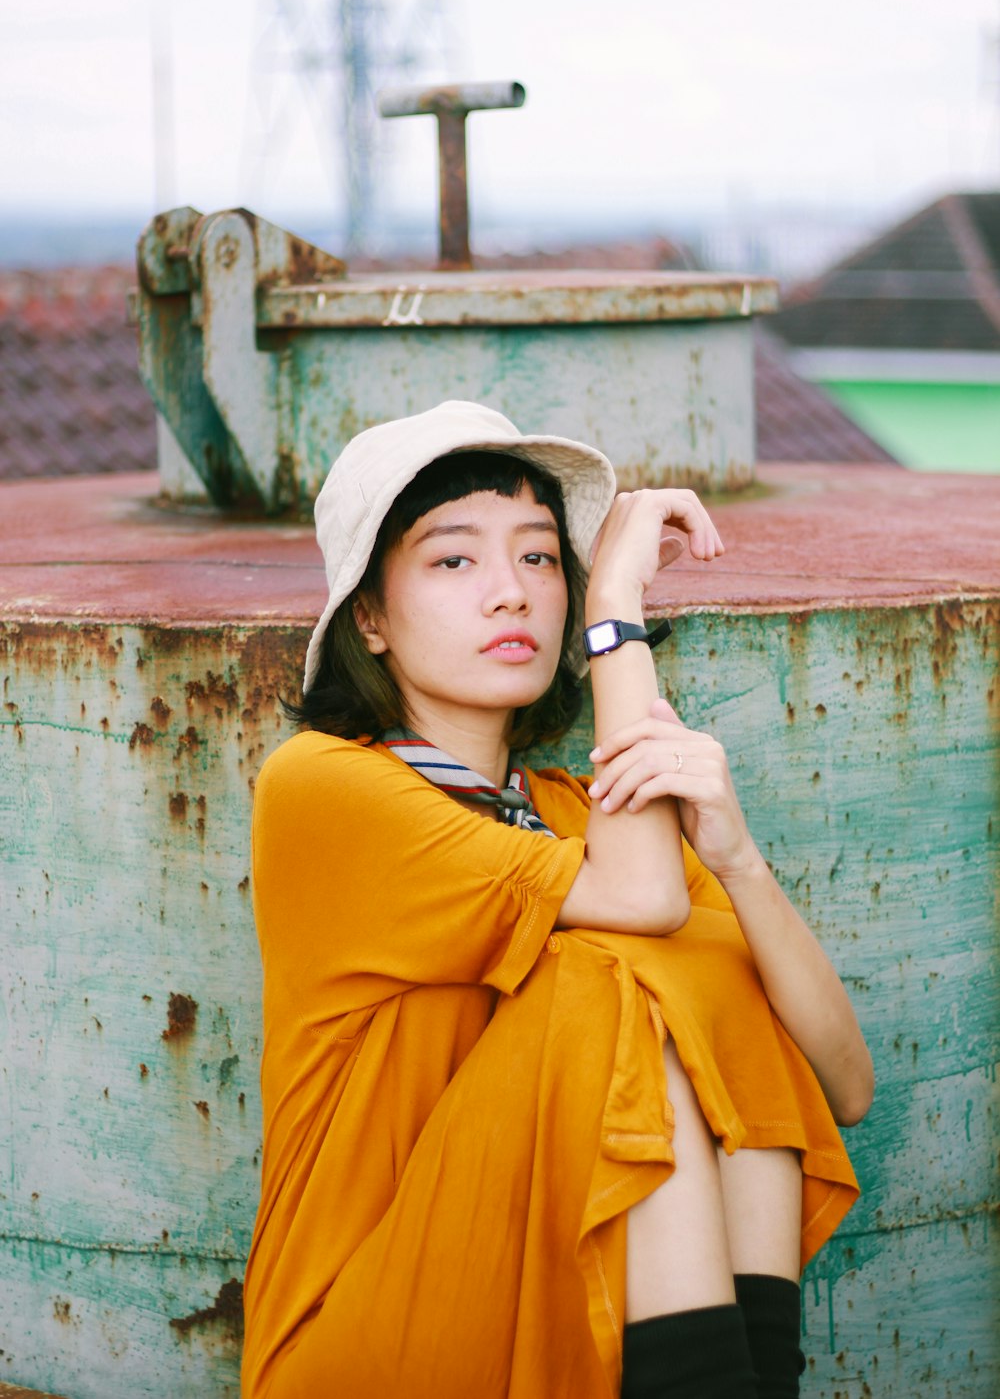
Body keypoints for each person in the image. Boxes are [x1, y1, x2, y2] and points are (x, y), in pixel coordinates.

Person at [241, 401, 873, 1399]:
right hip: (369, 1331)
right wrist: (612, 606)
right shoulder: (324, 786)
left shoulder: (580, 819)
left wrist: (740, 861)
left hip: (560, 1309)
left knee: (702, 959)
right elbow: (638, 900)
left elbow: (842, 1087)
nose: (511, 596)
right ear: (370, 615)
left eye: (541, 560)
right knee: (608, 973)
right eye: (454, 561)